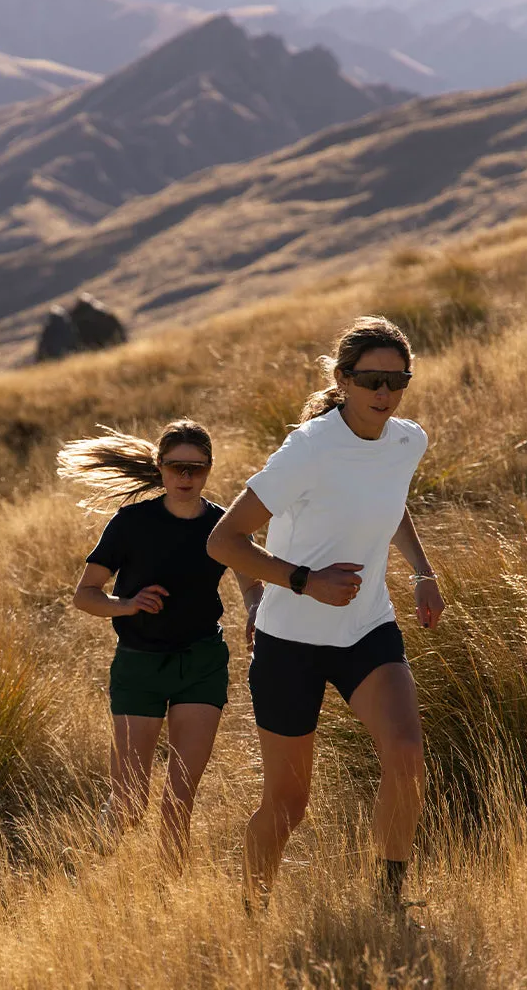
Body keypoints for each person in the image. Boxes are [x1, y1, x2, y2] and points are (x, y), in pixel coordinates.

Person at [207, 316, 445, 914]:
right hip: (291, 641)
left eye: (397, 379)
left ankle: (388, 903)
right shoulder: (307, 450)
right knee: (288, 804)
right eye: (370, 379)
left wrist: (422, 570)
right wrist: (304, 582)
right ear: (343, 379)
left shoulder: (406, 441)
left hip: (368, 628)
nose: (384, 393)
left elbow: (390, 504)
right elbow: (224, 541)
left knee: (406, 756)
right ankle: (252, 911)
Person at [59, 420, 263, 871]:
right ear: (160, 467)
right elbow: (84, 595)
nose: (186, 478)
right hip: (139, 666)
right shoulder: (132, 523)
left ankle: (168, 900)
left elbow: (252, 584)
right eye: (176, 467)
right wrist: (127, 604)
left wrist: (254, 609)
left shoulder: (222, 525)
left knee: (178, 802)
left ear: (209, 469)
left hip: (202, 663)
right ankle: (88, 872)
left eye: (197, 468)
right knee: (130, 802)